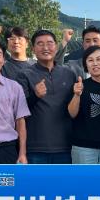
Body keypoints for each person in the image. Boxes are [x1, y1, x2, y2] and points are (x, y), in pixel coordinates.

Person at [16, 30, 78, 164]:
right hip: (36, 148)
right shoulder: (24, 75)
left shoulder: (69, 74)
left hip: (66, 146)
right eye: (40, 44)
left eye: (50, 43)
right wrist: (35, 96)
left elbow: (74, 109)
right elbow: (19, 111)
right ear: (33, 49)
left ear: (56, 46)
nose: (45, 47)